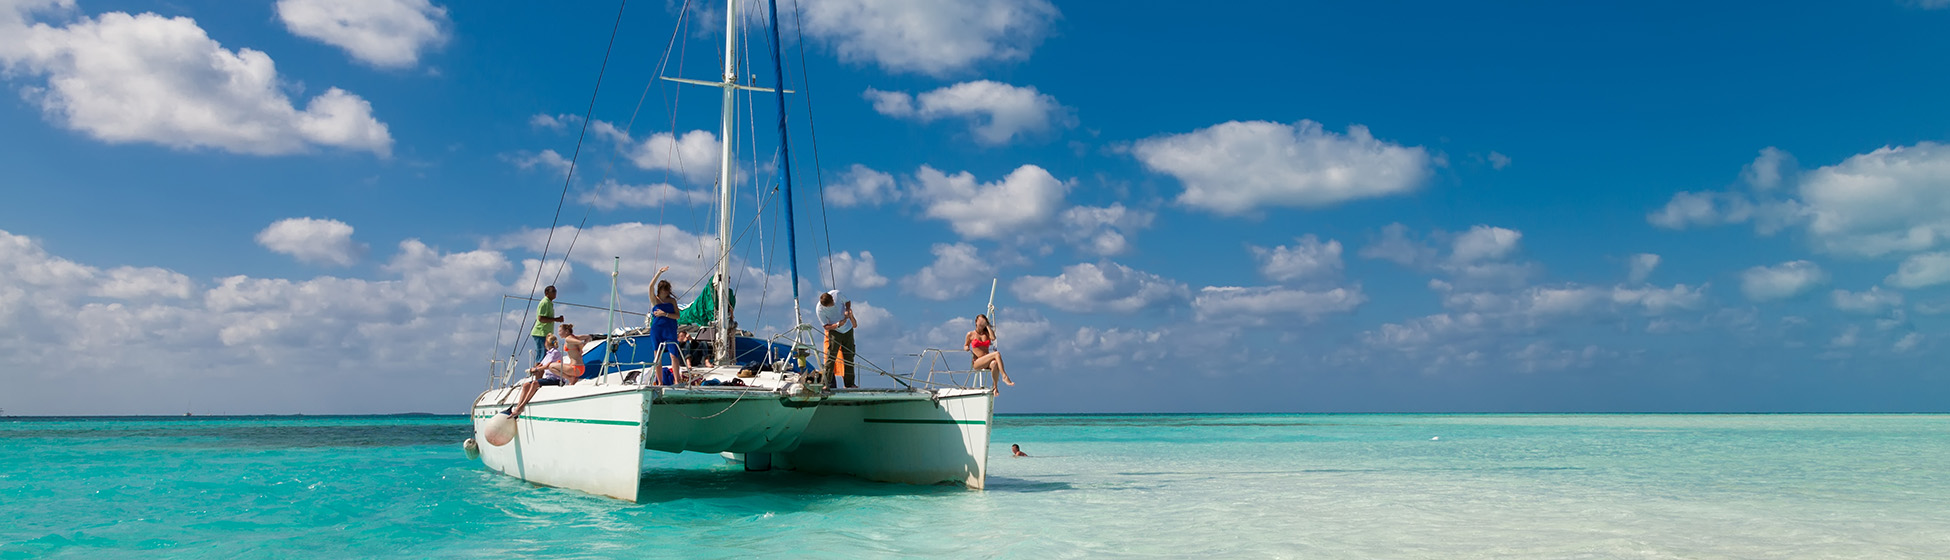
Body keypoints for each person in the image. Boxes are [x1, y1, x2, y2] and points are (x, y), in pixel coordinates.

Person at [509, 334, 570, 418]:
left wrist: (536, 370)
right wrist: (533, 369)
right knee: (526, 385)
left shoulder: (555, 352)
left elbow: (548, 365)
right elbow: (541, 364)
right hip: (548, 378)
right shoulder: (548, 353)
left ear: (547, 343)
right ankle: (518, 406)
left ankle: (521, 407)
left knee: (535, 383)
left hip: (555, 378)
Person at [647, 266, 681, 382]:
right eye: (664, 289)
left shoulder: (672, 301)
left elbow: (677, 316)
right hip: (657, 330)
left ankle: (677, 380)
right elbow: (650, 287)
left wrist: (664, 314)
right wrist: (659, 273)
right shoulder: (654, 300)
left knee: (673, 355)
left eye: (667, 289)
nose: (666, 292)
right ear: (660, 289)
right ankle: (660, 382)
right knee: (658, 357)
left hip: (670, 329)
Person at [817, 290, 857, 388]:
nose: (833, 304)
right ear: (825, 306)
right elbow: (826, 326)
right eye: (831, 305)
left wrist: (847, 309)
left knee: (849, 356)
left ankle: (849, 384)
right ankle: (826, 383)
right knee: (831, 358)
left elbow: (848, 301)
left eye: (833, 302)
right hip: (835, 331)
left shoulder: (837, 294)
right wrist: (837, 325)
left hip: (848, 330)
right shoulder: (819, 310)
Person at [966, 314, 1014, 391]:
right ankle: (1004, 376)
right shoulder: (970, 334)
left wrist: (987, 326)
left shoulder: (987, 334)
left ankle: (995, 388)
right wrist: (967, 348)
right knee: (996, 353)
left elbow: (993, 338)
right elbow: (966, 345)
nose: (981, 324)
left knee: (994, 363)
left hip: (987, 361)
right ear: (976, 322)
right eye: (980, 321)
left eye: (983, 322)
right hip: (977, 362)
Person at [531, 285, 564, 366]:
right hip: (540, 333)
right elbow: (541, 318)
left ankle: (541, 376)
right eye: (553, 291)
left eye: (555, 291)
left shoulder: (549, 303)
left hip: (546, 334)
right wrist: (556, 319)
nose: (555, 293)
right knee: (541, 357)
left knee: (546, 356)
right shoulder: (544, 303)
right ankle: (538, 377)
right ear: (546, 293)